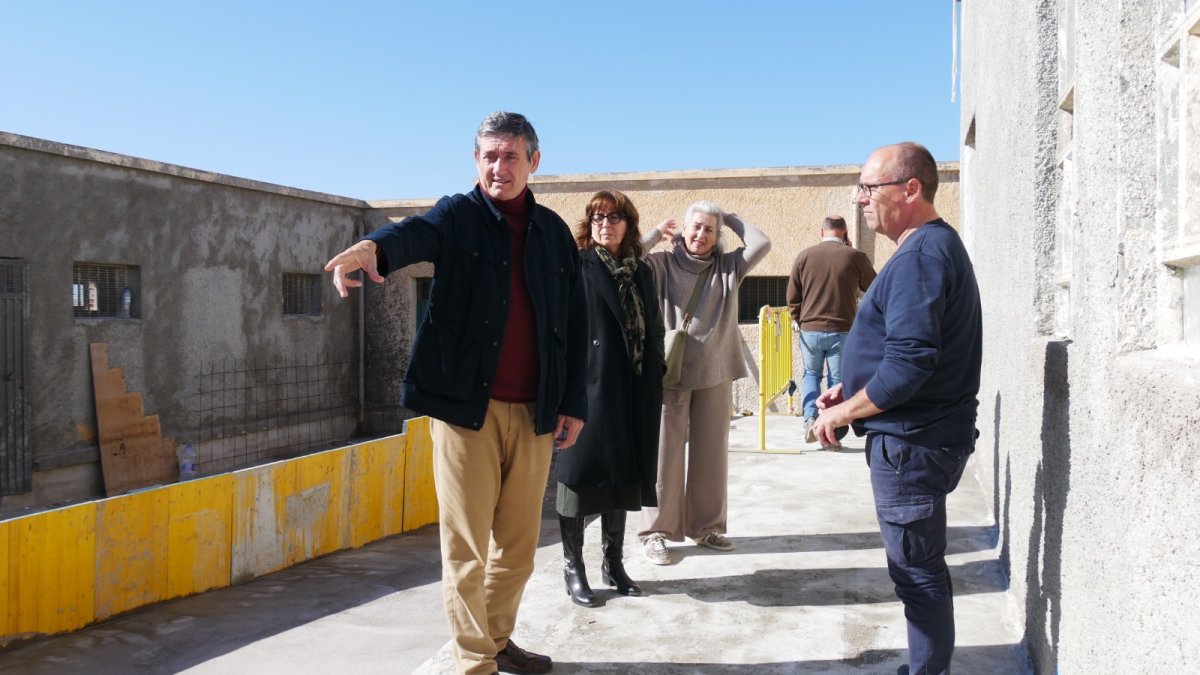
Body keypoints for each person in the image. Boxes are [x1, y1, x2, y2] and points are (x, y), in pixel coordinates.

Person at [324, 111, 586, 675]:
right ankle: (475, 664)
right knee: (466, 547)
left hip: (537, 411)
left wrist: (574, 403)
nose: (499, 167)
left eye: (511, 156)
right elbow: (413, 232)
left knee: (516, 552)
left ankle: (495, 638)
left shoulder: (554, 234)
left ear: (534, 162)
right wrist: (373, 248)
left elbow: (574, 319)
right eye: (489, 156)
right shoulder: (457, 216)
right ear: (476, 160)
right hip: (468, 412)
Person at [812, 142, 982, 675]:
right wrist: (854, 388)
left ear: (911, 190)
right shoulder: (929, 248)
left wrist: (844, 414)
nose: (861, 199)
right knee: (919, 569)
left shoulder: (920, 256)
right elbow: (906, 352)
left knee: (918, 574)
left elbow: (911, 365)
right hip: (919, 433)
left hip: (913, 443)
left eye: (870, 187)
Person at [636, 201, 771, 565]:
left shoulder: (729, 267)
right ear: (683, 230)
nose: (701, 234)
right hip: (671, 372)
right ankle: (655, 533)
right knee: (664, 456)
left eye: (709, 229)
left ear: (717, 236)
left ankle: (706, 527)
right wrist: (653, 234)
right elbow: (629, 255)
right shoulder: (662, 263)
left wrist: (730, 217)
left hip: (715, 372)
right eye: (695, 227)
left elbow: (761, 244)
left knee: (711, 456)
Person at [554, 190, 665, 607]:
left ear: (629, 224)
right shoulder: (577, 265)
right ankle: (573, 568)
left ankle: (612, 563)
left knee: (621, 477)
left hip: (633, 388)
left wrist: (657, 367)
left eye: (614, 217)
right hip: (589, 388)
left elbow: (653, 327)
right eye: (597, 217)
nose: (605, 224)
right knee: (577, 480)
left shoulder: (642, 272)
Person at [785, 215, 876, 447]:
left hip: (810, 330)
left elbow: (793, 296)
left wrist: (797, 318)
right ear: (845, 233)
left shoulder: (804, 256)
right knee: (838, 381)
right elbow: (874, 288)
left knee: (811, 375)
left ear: (821, 231)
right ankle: (833, 433)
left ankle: (810, 419)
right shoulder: (855, 257)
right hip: (843, 329)